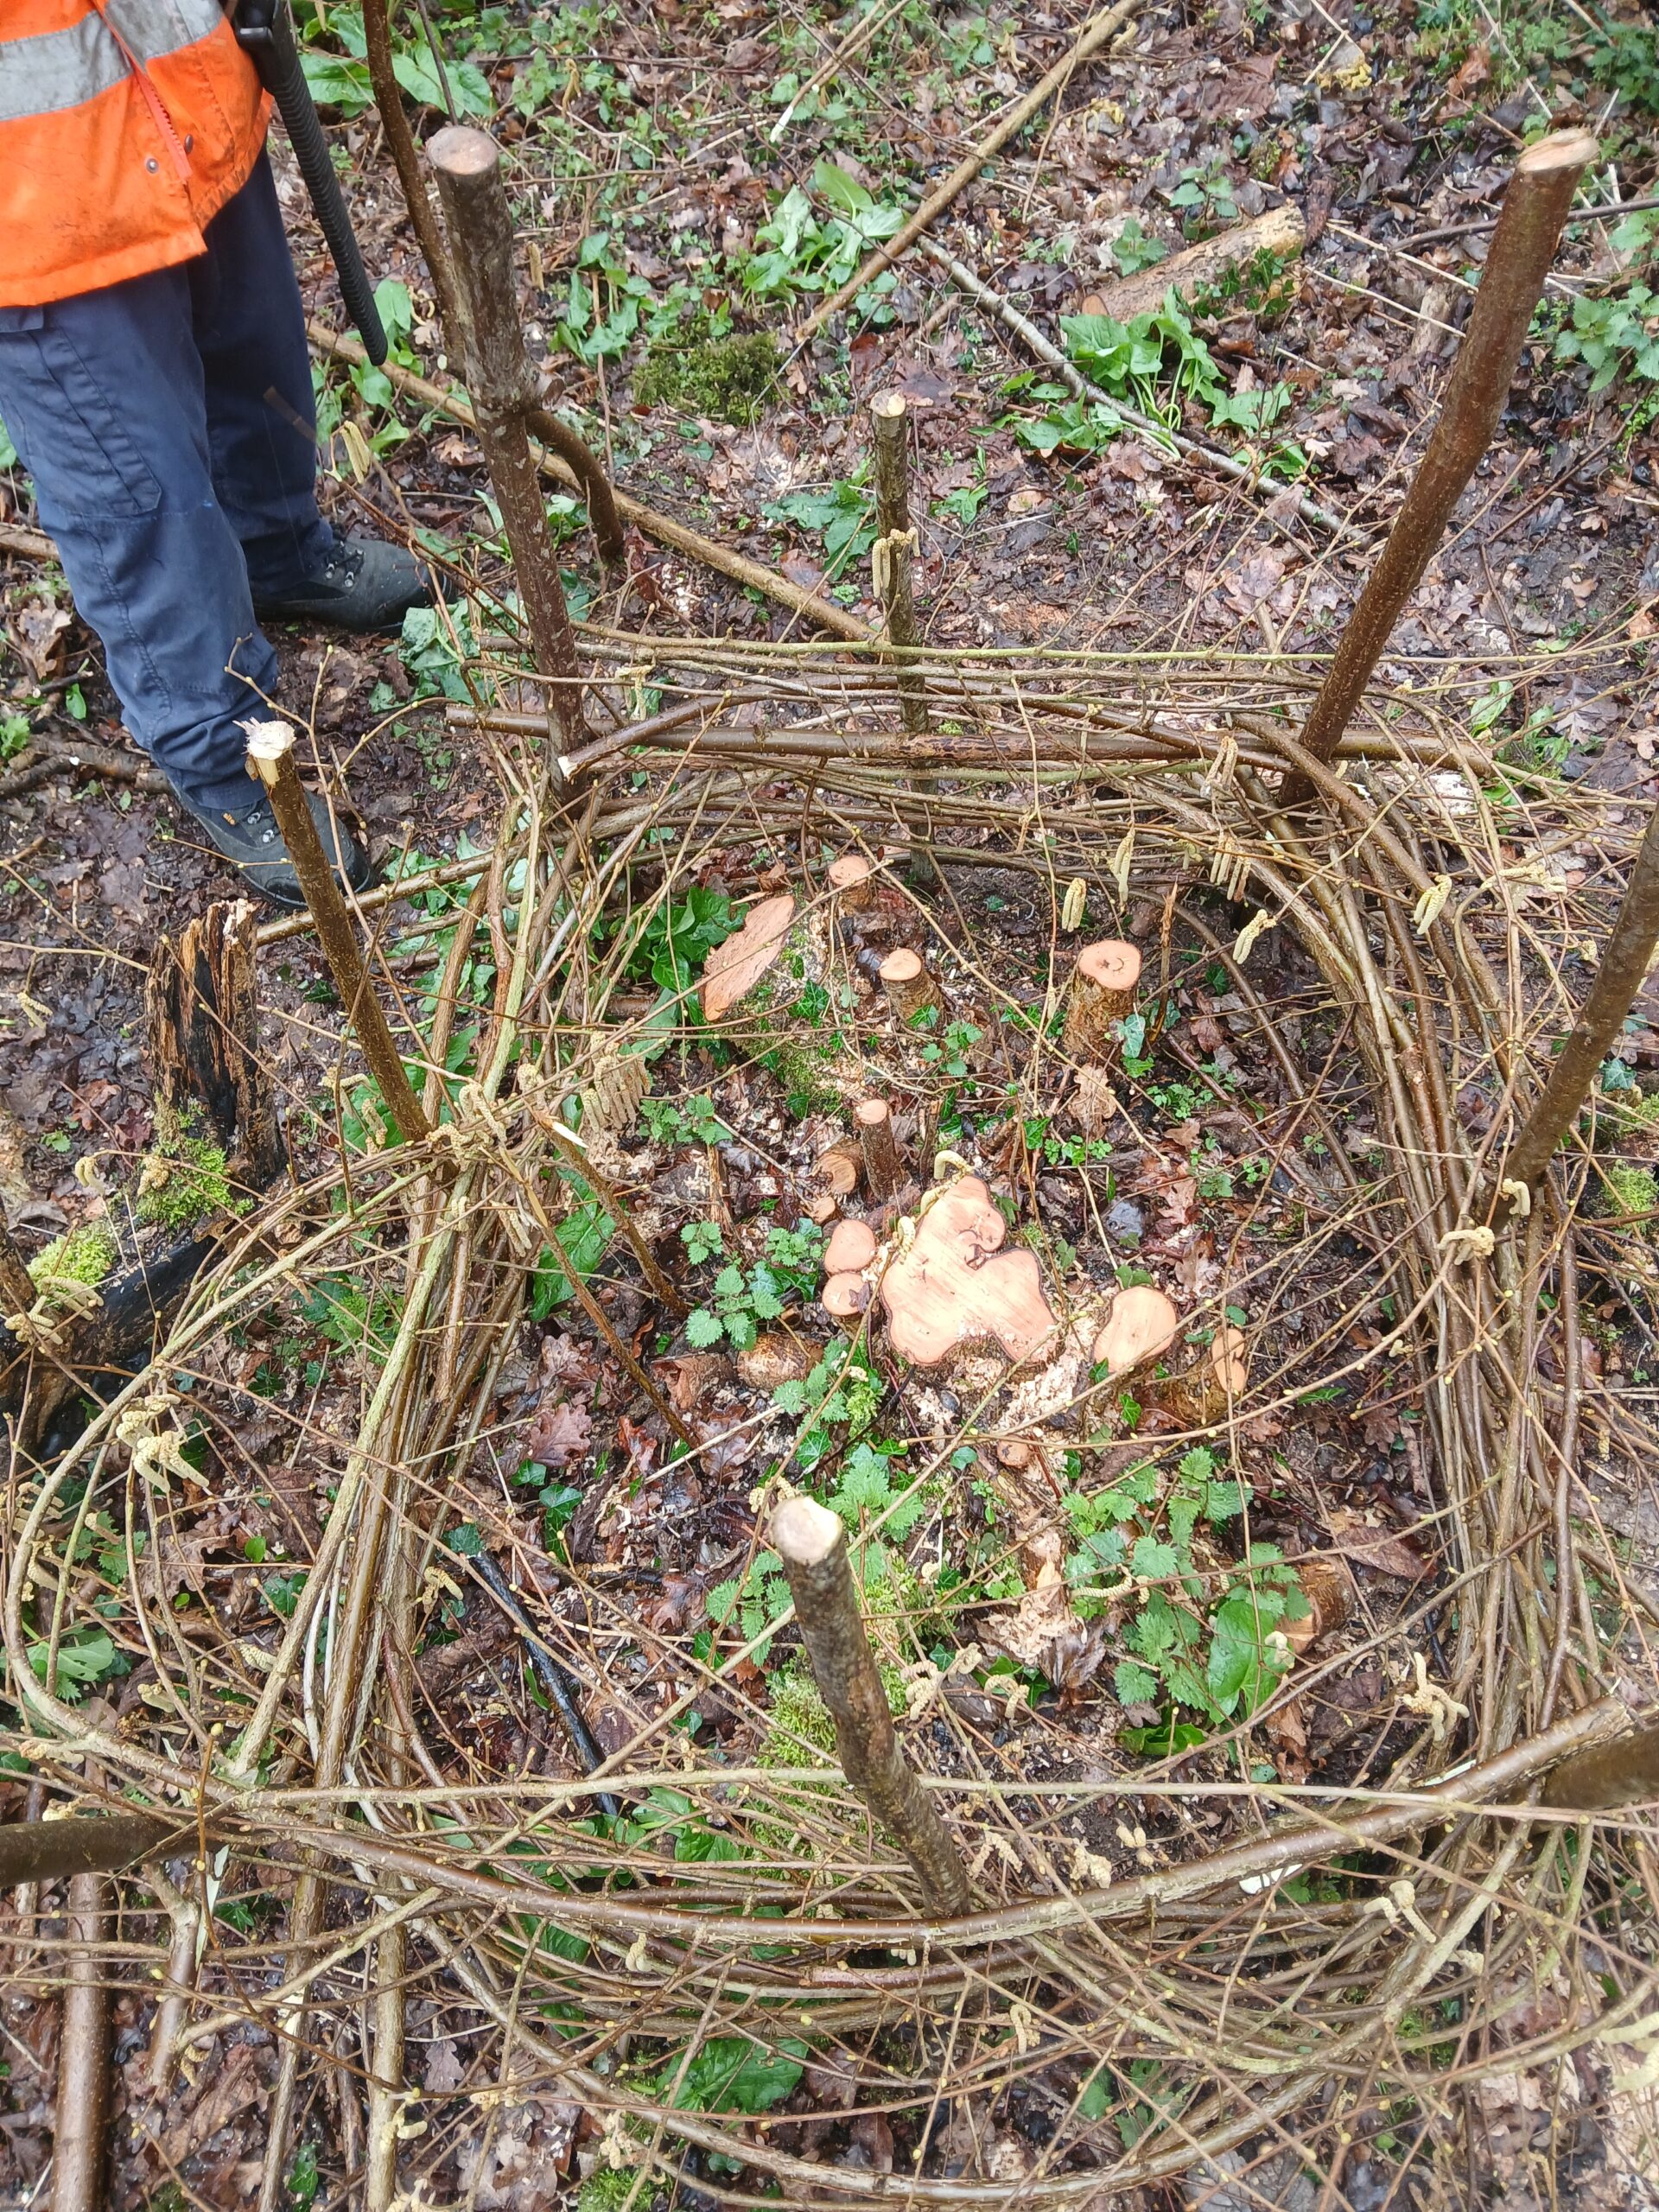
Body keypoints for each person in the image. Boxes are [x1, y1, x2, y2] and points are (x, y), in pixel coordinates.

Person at [0, 1, 430, 906]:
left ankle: (279, 552)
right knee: (135, 480)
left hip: (190, 98)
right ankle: (216, 744)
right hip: (39, 198)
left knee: (256, 356)